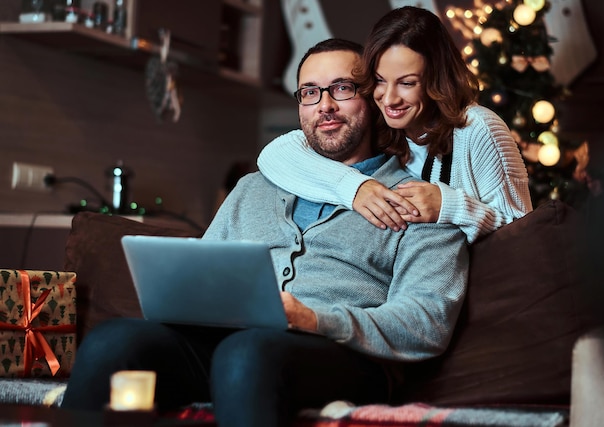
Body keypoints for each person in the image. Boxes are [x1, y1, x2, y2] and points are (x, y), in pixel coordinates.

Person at [60, 39, 469, 427]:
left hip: (343, 357)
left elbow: (425, 323)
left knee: (246, 354)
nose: (324, 106)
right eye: (309, 92)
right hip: (225, 348)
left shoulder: (422, 202)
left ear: (375, 98)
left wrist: (314, 319)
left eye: (342, 88)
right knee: (113, 342)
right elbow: (202, 280)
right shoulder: (254, 187)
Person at [258, 6, 532, 244]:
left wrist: (449, 207)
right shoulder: (382, 121)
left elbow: (525, 235)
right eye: (379, 80)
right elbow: (275, 153)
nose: (389, 98)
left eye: (406, 83)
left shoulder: (478, 129)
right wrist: (355, 188)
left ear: (436, 80)